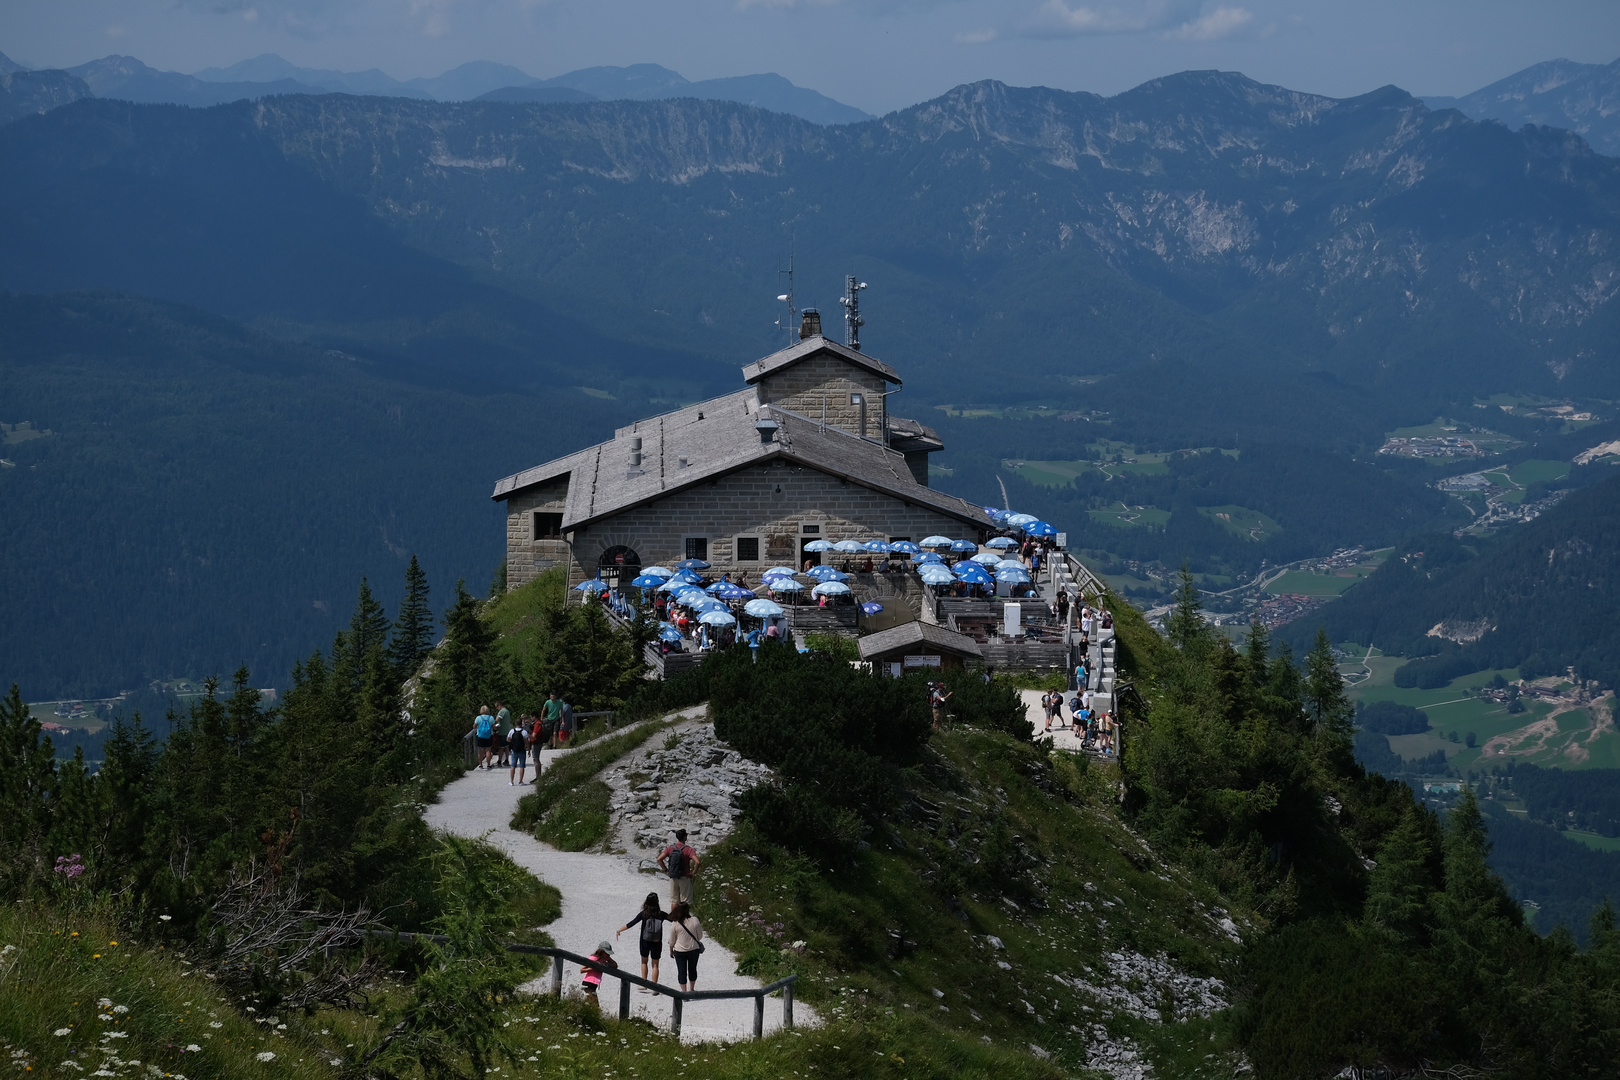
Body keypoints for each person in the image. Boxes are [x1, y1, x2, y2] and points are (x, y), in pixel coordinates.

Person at [616, 892, 668, 989]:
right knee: (655, 965)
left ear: (646, 902)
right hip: (657, 942)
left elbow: (631, 923)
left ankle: (644, 984)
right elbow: (674, 919)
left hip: (645, 941)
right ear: (657, 902)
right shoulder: (661, 914)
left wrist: (619, 930)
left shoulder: (644, 914)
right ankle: (655, 987)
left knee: (644, 962)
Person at [657, 829, 699, 908]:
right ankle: (683, 919)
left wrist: (666, 870)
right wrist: (693, 873)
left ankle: (674, 919)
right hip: (684, 877)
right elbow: (697, 862)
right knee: (685, 902)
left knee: (674, 901)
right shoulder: (688, 849)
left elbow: (659, 859)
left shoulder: (670, 848)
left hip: (673, 876)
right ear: (685, 838)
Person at [668, 902, 704, 993]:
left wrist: (671, 950)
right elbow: (700, 936)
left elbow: (672, 940)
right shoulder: (695, 920)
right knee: (692, 969)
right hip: (694, 950)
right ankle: (692, 989)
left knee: (681, 971)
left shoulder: (675, 923)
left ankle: (684, 991)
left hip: (679, 951)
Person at [580, 941, 618, 1011]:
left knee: (589, 1005)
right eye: (606, 953)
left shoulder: (605, 958)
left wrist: (608, 961)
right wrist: (592, 968)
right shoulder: (593, 958)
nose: (608, 955)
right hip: (588, 983)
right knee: (596, 1007)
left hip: (594, 985)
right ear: (601, 951)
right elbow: (582, 970)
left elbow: (615, 965)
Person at [507, 719, 529, 786]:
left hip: (514, 750)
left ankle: (511, 781)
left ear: (515, 723)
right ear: (521, 723)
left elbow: (508, 739)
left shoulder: (512, 731)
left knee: (513, 766)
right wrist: (529, 750)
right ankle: (520, 781)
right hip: (522, 750)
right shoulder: (524, 732)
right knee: (522, 766)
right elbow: (527, 741)